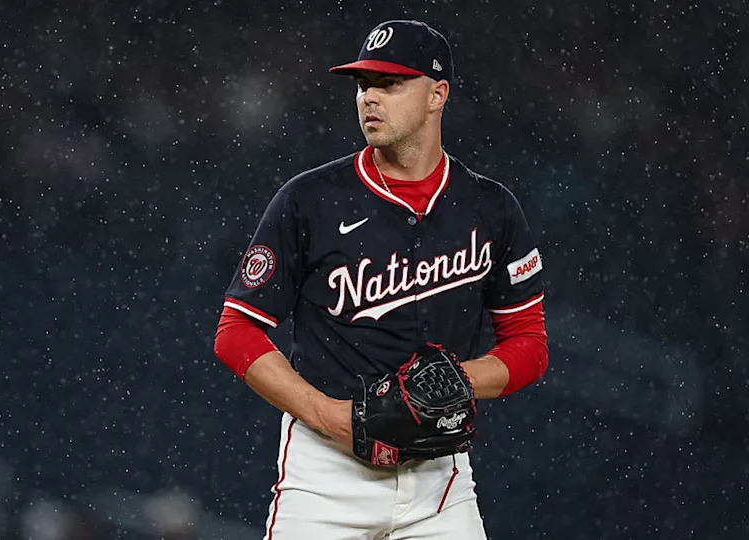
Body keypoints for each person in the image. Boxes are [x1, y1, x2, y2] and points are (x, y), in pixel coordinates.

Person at [213, 19, 548, 539]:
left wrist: (458, 383)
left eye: (390, 84)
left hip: (440, 481)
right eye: (364, 84)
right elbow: (235, 332)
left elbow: (529, 344)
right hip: (325, 478)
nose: (370, 96)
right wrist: (326, 415)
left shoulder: (491, 208)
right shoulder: (310, 201)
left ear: (438, 94)